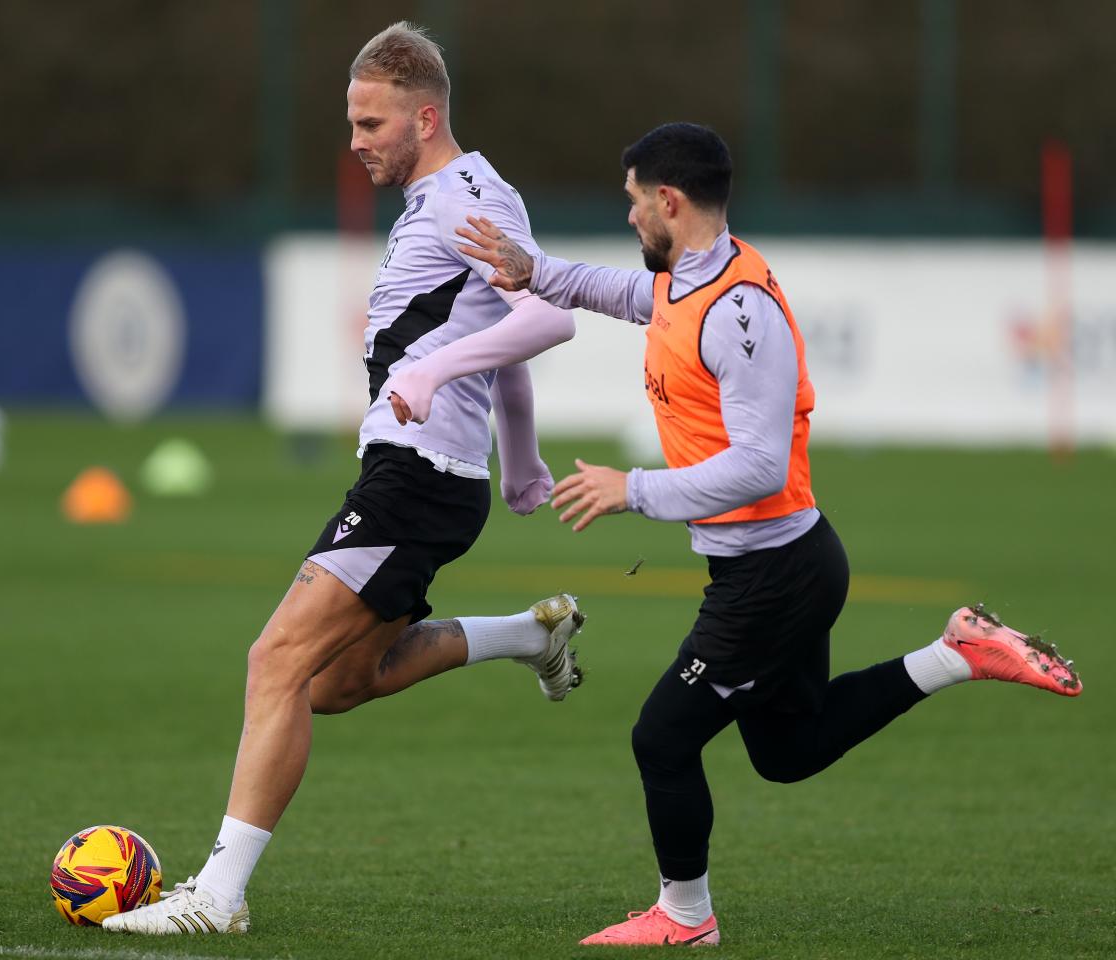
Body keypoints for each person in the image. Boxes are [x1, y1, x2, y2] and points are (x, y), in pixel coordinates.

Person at [454, 121, 1083, 948]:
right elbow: (617, 291)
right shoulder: (685, 279)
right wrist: (534, 271)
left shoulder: (740, 313)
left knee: (663, 735)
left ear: (669, 201)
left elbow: (756, 466)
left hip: (776, 575)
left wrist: (630, 489)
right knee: (789, 750)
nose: (630, 215)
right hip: (773, 568)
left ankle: (685, 918)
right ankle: (956, 652)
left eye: (635, 200)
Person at [104, 22, 587, 936]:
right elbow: (502, 332)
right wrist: (519, 459)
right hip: (426, 477)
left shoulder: (464, 196)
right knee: (335, 682)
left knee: (274, 661)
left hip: (416, 482)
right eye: (353, 122)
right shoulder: (446, 198)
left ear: (424, 115)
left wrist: (435, 378)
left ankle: (217, 898)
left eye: (371, 123)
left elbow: (545, 320)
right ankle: (529, 636)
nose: (356, 140)